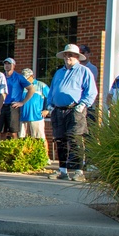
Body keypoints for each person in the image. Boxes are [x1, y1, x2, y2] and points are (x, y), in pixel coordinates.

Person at [46, 44, 98, 181]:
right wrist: (50, 104)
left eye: (71, 55)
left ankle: (78, 171)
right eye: (66, 54)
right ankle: (62, 170)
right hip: (58, 110)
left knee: (75, 140)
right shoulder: (59, 72)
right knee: (60, 140)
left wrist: (83, 104)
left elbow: (91, 91)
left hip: (75, 110)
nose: (68, 57)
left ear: (77, 57)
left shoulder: (84, 71)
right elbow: (52, 90)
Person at [0, 58, 35, 141]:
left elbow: (31, 89)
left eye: (9, 64)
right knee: (2, 132)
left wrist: (22, 102)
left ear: (13, 66)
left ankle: (15, 152)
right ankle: (2, 152)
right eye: (5, 64)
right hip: (2, 105)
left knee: (13, 132)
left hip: (13, 106)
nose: (7, 66)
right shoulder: (1, 77)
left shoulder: (19, 77)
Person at [19, 68, 50, 163]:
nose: (25, 80)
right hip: (22, 117)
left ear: (32, 76)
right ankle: (25, 157)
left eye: (27, 78)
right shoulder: (21, 86)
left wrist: (47, 110)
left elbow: (50, 98)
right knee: (21, 138)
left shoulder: (41, 86)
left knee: (40, 138)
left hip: (36, 116)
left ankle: (45, 157)